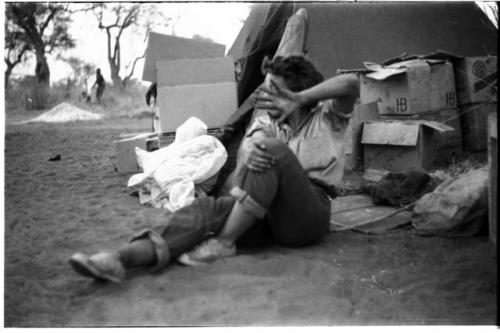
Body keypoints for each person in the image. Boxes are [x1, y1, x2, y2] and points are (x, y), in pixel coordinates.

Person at [68, 55, 359, 283]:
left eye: (272, 90)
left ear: (295, 92)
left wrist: (301, 99)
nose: (263, 96)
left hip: (309, 217)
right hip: (268, 214)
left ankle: (224, 242)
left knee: (271, 152)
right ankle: (121, 259)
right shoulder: (269, 124)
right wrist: (250, 150)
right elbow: (251, 145)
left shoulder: (328, 118)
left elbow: (350, 85)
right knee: (205, 209)